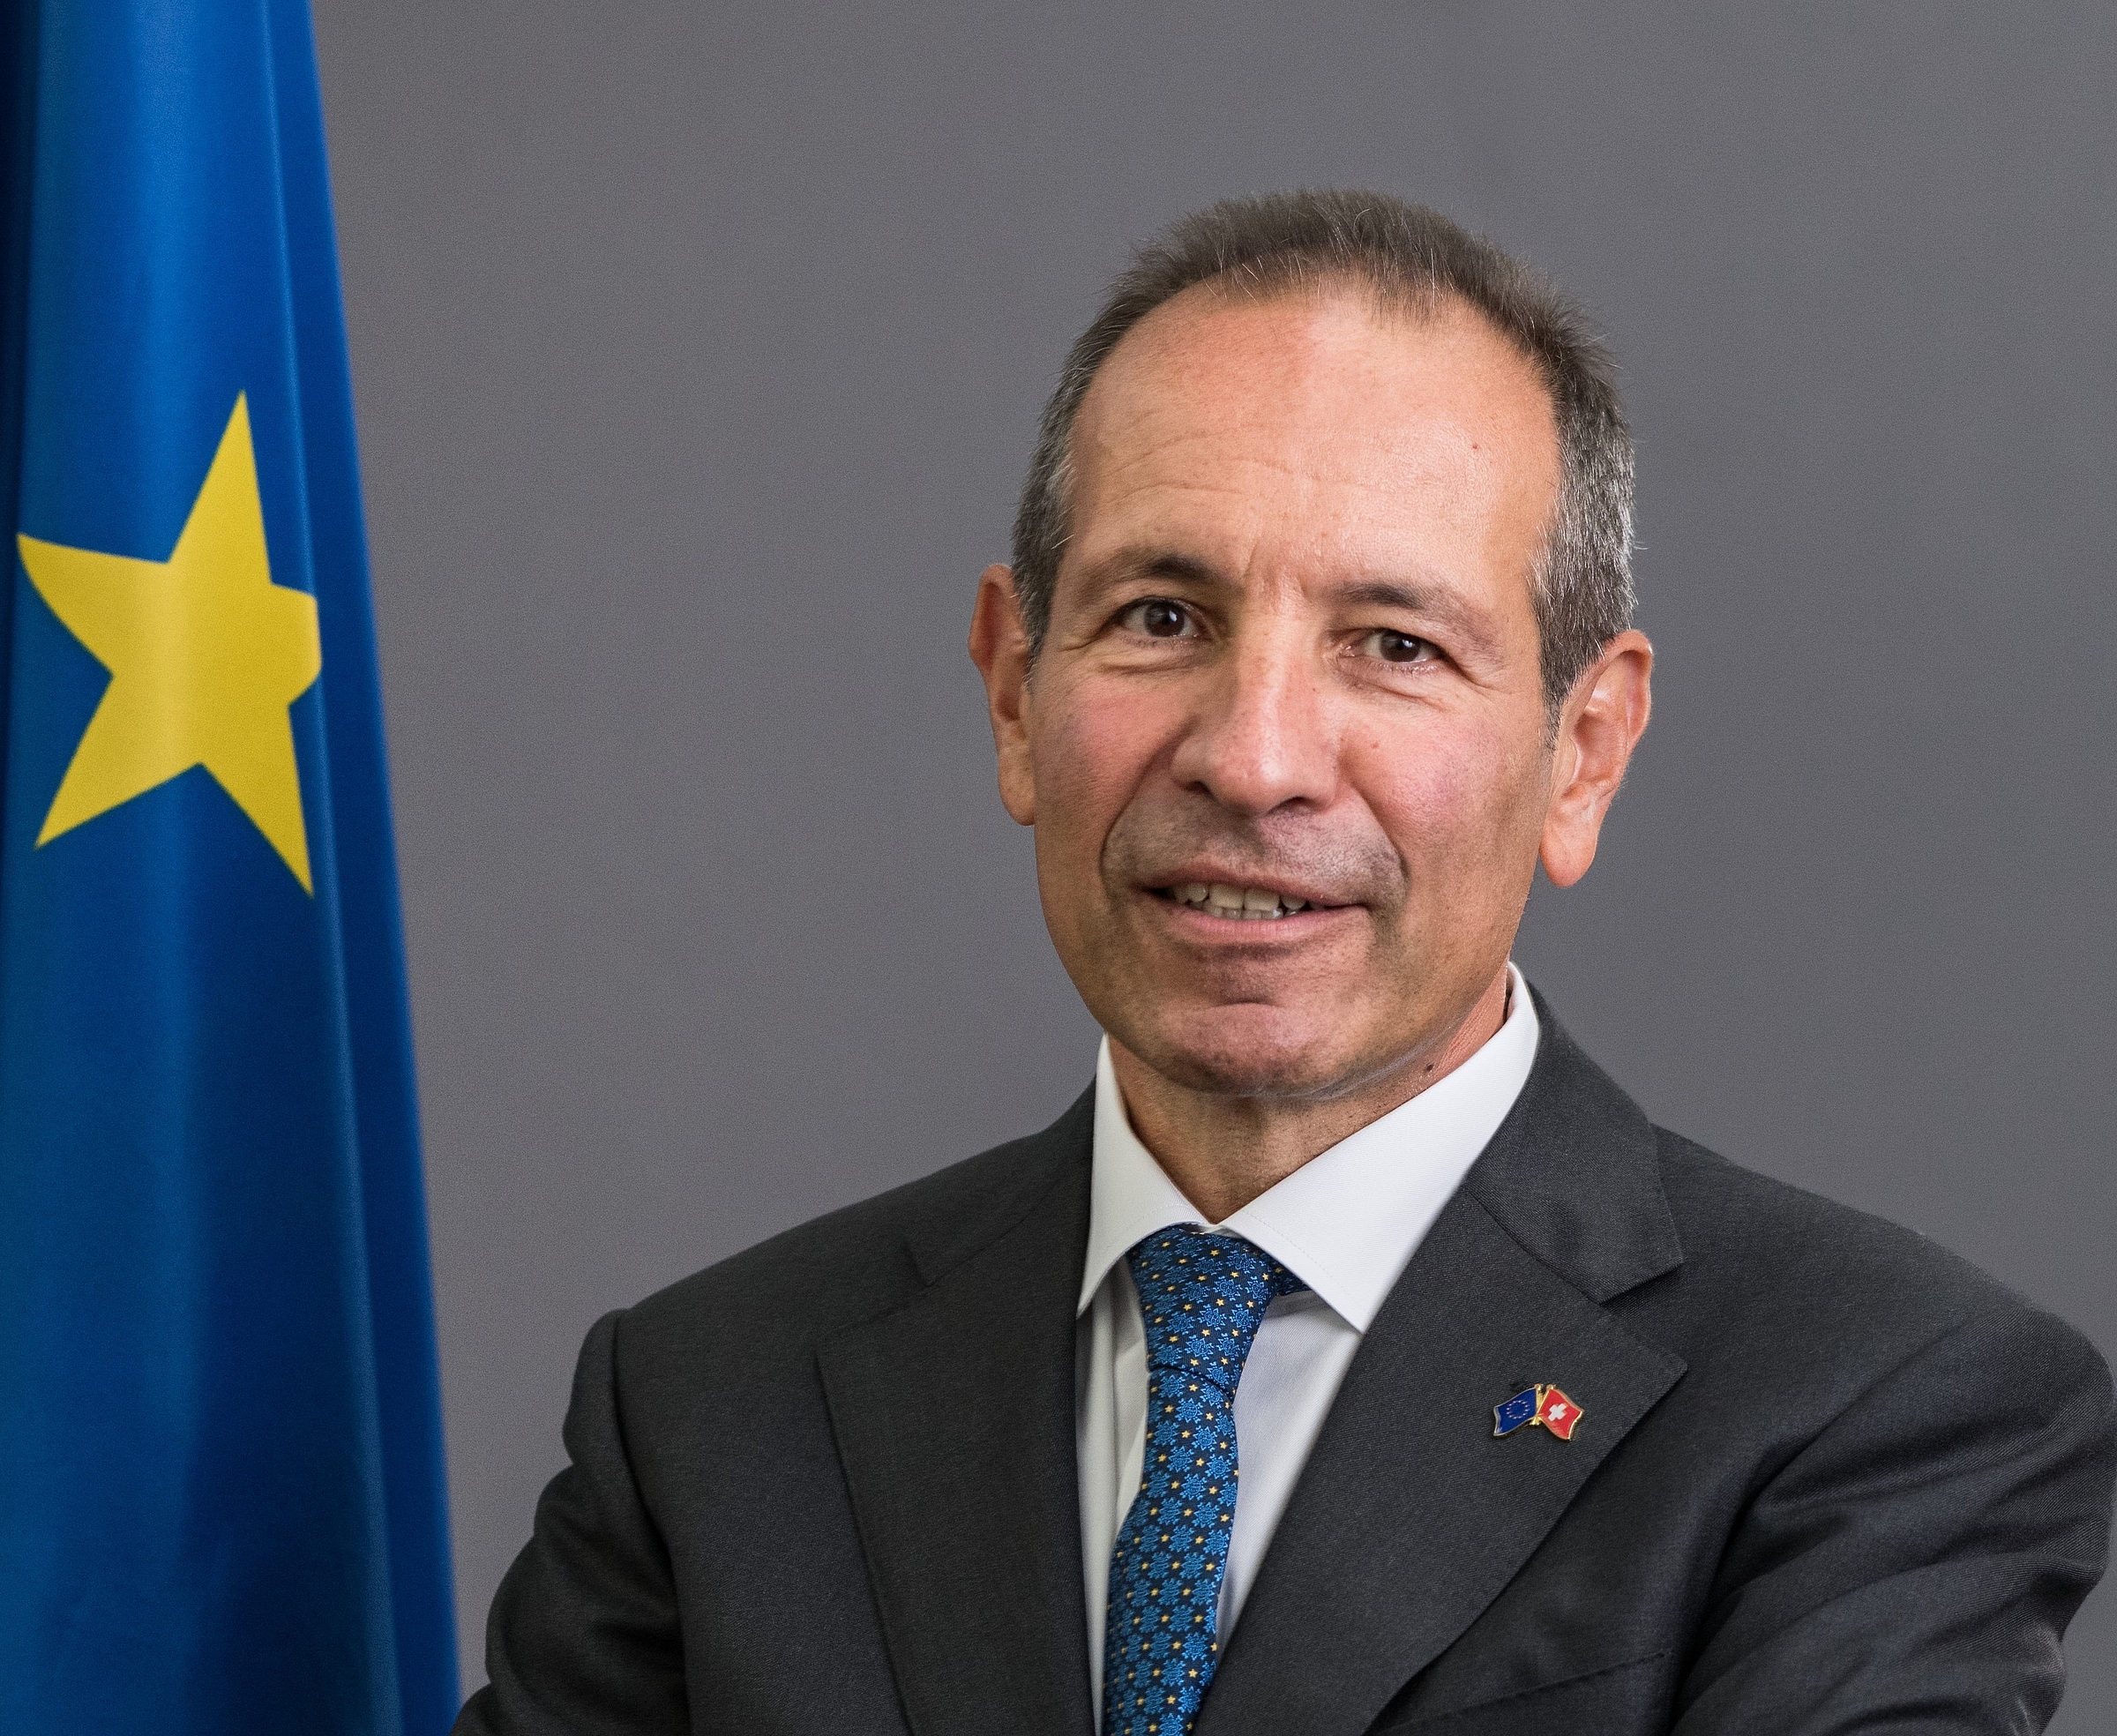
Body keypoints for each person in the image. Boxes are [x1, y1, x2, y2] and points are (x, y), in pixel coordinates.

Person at [454, 191, 2114, 1735]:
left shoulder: (1879, 1408)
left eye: (1394, 645)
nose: (1253, 762)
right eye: (1161, 618)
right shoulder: (708, 1413)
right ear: (1015, 691)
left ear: (1584, 751)